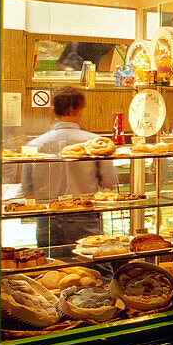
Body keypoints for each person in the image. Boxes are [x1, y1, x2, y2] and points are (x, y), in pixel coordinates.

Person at [21, 87, 117, 255]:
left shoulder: (33, 146)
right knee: (97, 270)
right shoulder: (96, 143)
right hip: (83, 216)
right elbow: (109, 182)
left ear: (53, 111)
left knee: (51, 271)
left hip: (46, 218)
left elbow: (28, 189)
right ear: (80, 109)